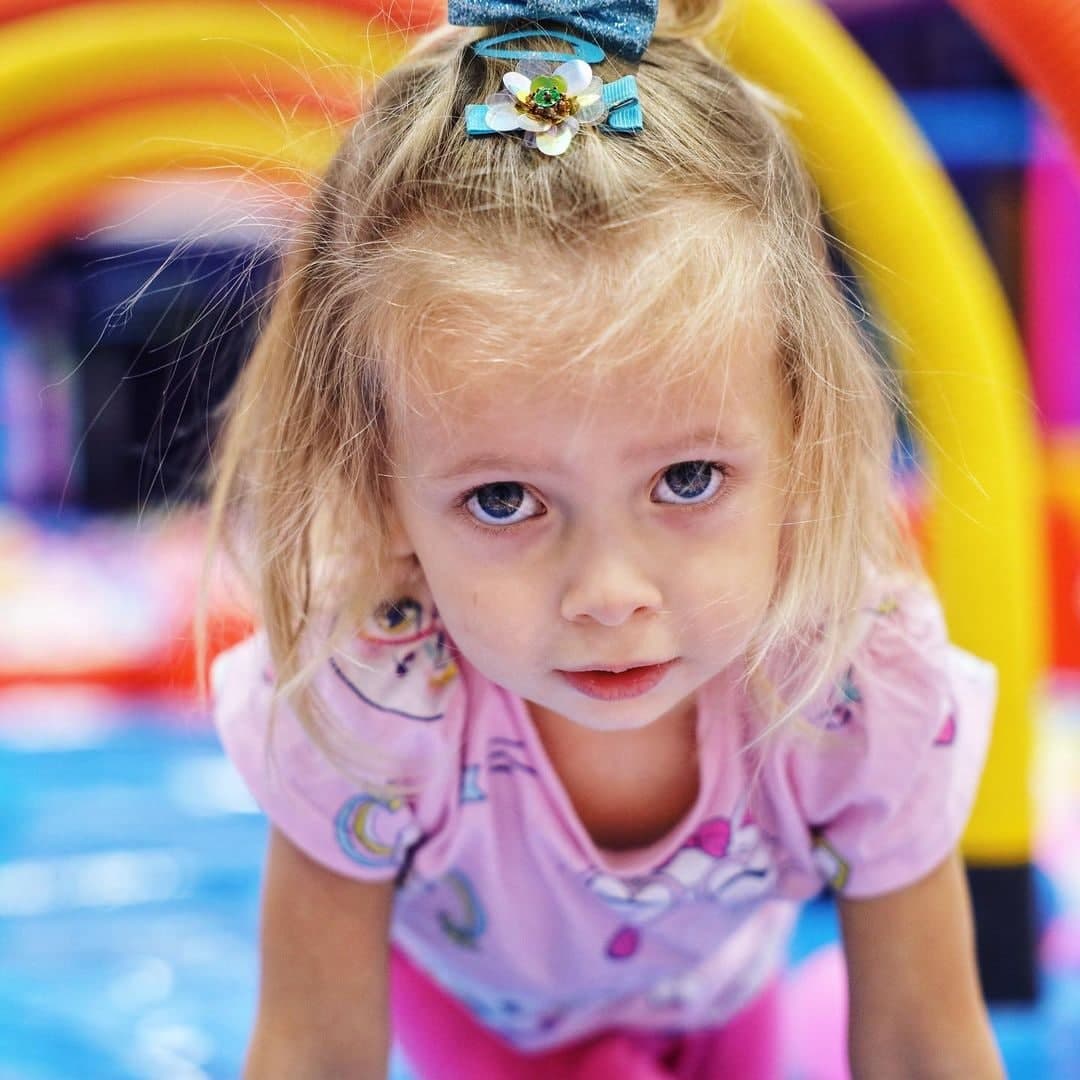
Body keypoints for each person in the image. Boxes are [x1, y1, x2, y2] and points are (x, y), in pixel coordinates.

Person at [206, 0, 1004, 1076]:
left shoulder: (856, 678)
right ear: (380, 484)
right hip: (481, 1021)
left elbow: (921, 1045)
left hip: (727, 999)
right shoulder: (368, 700)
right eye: (503, 500)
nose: (609, 592)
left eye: (687, 480)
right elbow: (314, 1051)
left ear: (803, 440)